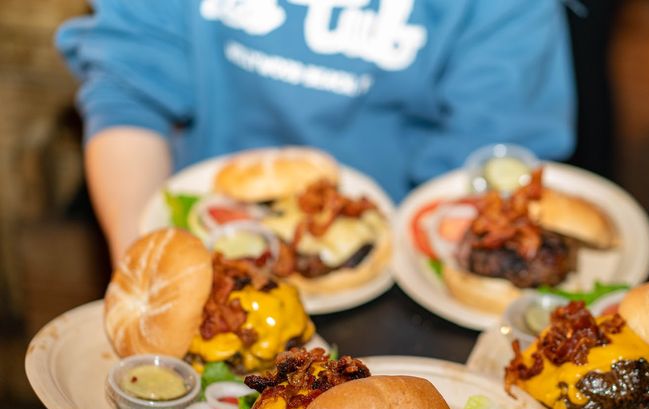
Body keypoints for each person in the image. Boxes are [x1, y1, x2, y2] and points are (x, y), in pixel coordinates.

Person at [57, 0, 576, 264]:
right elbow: (129, 93)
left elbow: (492, 156)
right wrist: (145, 270)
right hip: (203, 234)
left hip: (399, 258)